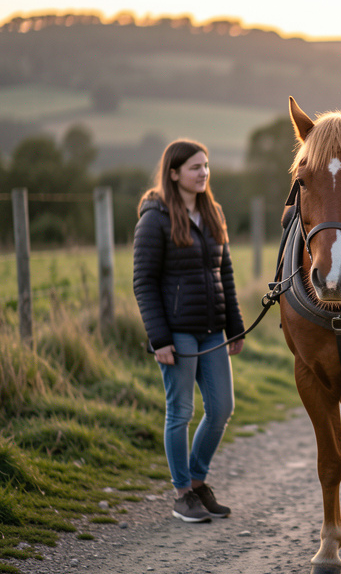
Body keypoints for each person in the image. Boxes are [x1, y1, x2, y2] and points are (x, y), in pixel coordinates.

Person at [132, 139, 245, 523]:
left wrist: (236, 325)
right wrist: (159, 338)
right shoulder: (155, 218)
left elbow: (224, 273)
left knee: (222, 408)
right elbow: (143, 281)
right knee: (180, 411)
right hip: (176, 332)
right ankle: (182, 494)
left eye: (207, 166)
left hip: (213, 329)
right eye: (195, 167)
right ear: (174, 173)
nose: (204, 173)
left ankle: (197, 482)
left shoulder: (212, 212)